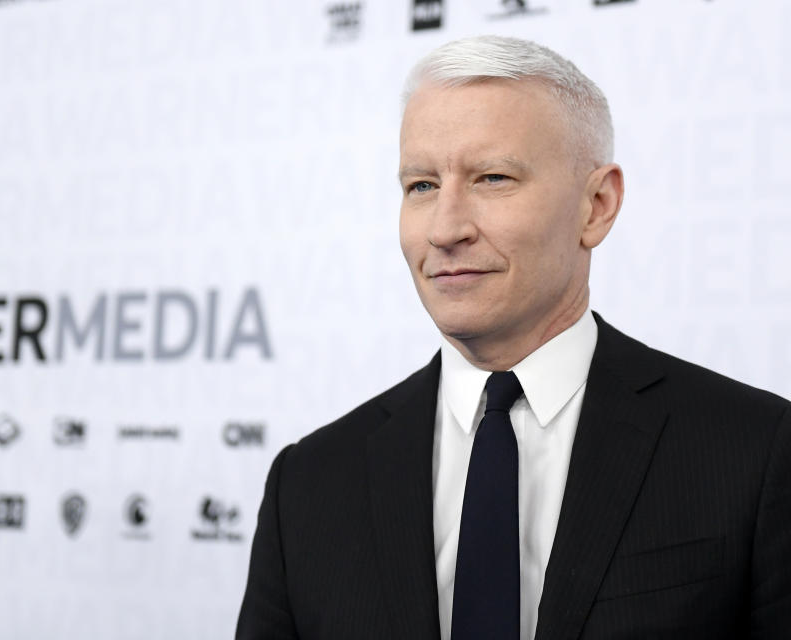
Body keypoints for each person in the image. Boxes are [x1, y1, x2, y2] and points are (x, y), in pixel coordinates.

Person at [236, 36, 791, 640]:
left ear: (597, 205)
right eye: (421, 185)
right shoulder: (310, 484)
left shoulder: (756, 453)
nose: (445, 229)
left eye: (492, 178)